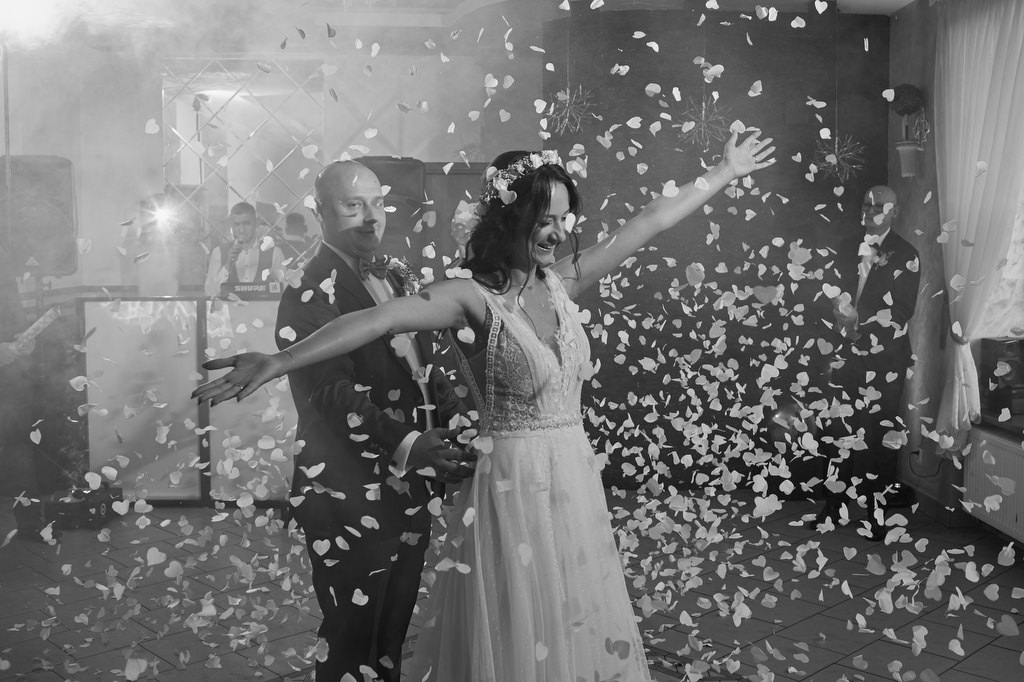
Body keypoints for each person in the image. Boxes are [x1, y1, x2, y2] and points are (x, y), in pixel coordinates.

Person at [193, 131, 775, 681]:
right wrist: (282, 360)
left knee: (571, 617)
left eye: (563, 219)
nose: (556, 232)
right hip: (510, 487)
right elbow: (378, 319)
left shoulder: (563, 282)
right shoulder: (470, 297)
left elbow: (647, 222)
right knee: (511, 623)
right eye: (543, 219)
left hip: (573, 483)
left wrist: (725, 170)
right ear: (509, 218)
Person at [278, 161, 474, 682]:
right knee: (352, 635)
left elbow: (424, 366)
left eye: (377, 203)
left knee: (390, 633)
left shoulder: (395, 275)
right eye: (352, 206)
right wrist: (409, 442)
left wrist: (456, 422)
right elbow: (328, 391)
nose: (371, 217)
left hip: (409, 485)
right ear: (319, 213)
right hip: (348, 490)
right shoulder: (307, 288)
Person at [812, 185, 920, 540]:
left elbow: (902, 311)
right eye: (866, 204)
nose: (870, 210)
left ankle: (876, 515)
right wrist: (837, 314)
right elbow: (831, 291)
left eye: (879, 206)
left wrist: (859, 326)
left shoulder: (907, 254)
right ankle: (834, 507)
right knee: (838, 431)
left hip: (885, 359)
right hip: (844, 354)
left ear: (894, 212)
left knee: (878, 437)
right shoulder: (847, 247)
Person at [0, 246, 40, 507]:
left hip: (11, 383)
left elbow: (16, 326)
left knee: (19, 449)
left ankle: (30, 521)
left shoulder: (6, 277)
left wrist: (26, 342)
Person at [204, 201, 285, 296]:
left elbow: (286, 292)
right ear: (231, 226)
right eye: (237, 224)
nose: (241, 229)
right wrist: (227, 265)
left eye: (246, 224)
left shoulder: (274, 253)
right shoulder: (219, 252)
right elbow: (210, 293)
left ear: (256, 224)